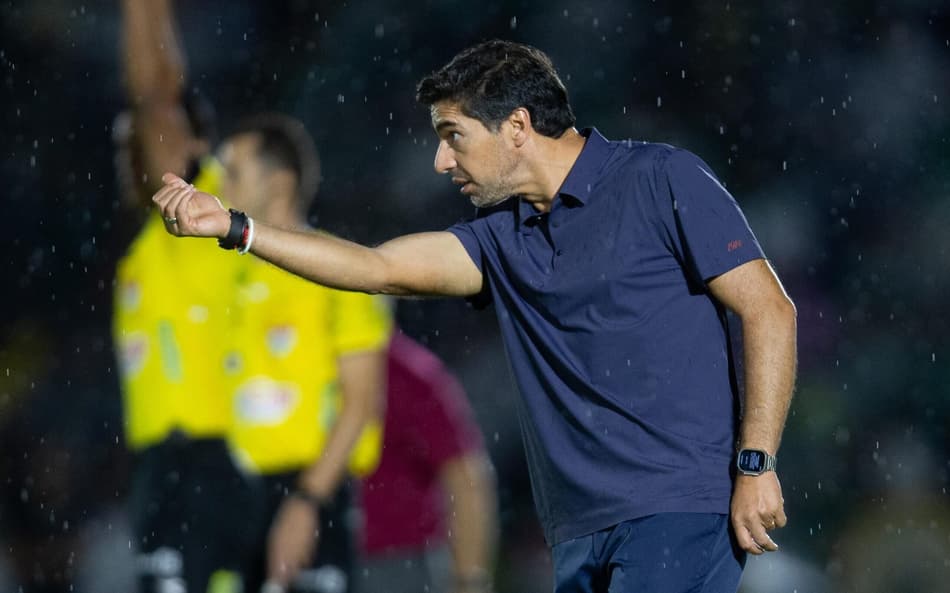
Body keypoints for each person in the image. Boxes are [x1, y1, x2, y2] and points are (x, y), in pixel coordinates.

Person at [153, 40, 798, 593]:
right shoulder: (500, 239)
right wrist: (237, 228)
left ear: (517, 126)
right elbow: (376, 268)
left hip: (679, 510)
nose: (440, 161)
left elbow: (769, 310)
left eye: (452, 135)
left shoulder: (661, 178)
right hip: (577, 531)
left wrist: (755, 464)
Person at [113, 1, 255, 591]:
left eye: (166, 130)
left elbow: (155, 94)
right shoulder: (149, 245)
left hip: (212, 455)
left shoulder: (208, 210)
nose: (148, 138)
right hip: (161, 464)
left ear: (198, 142)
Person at [217, 114, 391, 593]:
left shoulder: (339, 269)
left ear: (279, 184)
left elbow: (362, 401)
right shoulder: (226, 276)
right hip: (236, 497)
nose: (220, 184)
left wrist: (307, 501)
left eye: (233, 172)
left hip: (313, 490)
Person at [357, 333, 497, 593]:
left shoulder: (408, 374)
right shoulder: (405, 370)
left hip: (397, 565)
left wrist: (469, 580)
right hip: (343, 556)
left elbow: (466, 479)